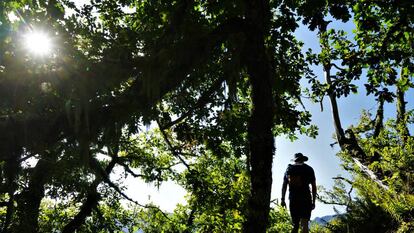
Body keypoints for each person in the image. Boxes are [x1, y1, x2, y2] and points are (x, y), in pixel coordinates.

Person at [281, 153, 317, 233]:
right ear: (303, 159)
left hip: (293, 199)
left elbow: (284, 186)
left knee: (295, 225)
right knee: (304, 224)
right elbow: (314, 187)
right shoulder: (309, 169)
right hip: (306, 198)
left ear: (295, 160)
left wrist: (282, 199)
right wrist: (313, 202)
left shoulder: (289, 169)